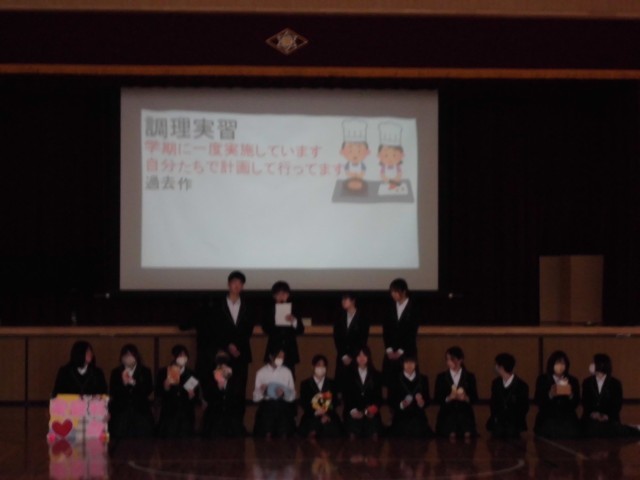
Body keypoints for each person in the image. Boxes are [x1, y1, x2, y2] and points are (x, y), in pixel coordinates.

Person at [181, 270, 254, 419]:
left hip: (241, 353)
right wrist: (229, 345)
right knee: (220, 388)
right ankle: (220, 422)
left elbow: (248, 329)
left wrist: (237, 346)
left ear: (243, 286)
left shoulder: (248, 306)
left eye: (240, 283)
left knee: (239, 390)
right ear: (228, 284)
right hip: (223, 354)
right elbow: (216, 329)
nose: (237, 286)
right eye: (234, 282)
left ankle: (237, 424)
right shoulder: (217, 306)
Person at [581, 353, 639, 438]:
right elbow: (585, 401)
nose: (591, 365)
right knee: (590, 431)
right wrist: (592, 413)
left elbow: (617, 404)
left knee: (611, 431)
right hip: (591, 419)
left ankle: (634, 429)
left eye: (594, 362)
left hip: (610, 419)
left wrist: (606, 416)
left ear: (602, 364)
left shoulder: (615, 383)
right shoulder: (587, 382)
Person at [108, 344, 154, 439]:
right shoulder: (116, 372)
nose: (129, 358)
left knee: (142, 440)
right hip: (121, 413)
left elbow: (148, 390)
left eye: (131, 355)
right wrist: (123, 384)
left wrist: (133, 382)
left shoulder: (145, 371)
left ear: (136, 356)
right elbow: (112, 391)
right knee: (120, 440)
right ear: (122, 358)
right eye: (126, 355)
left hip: (141, 413)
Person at [534, 350, 581, 439]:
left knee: (571, 432)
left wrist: (571, 395)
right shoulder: (543, 379)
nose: (560, 366)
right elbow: (538, 400)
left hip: (567, 417)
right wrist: (550, 395)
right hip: (548, 416)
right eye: (557, 363)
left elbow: (576, 402)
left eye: (563, 363)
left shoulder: (572, 380)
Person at [155, 345, 200, 438]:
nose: (182, 358)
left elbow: (196, 396)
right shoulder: (163, 372)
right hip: (169, 414)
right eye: (180, 355)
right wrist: (165, 388)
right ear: (174, 357)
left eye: (184, 355)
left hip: (186, 415)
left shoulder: (192, 373)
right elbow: (158, 393)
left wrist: (192, 396)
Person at [262, 281, 304, 378]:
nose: (281, 296)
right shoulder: (269, 310)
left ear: (288, 295)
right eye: (278, 294)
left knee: (289, 378)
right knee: (272, 379)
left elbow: (301, 330)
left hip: (289, 351)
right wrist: (275, 318)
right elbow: (265, 328)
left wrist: (294, 321)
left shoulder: (294, 309)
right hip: (273, 350)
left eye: (284, 294)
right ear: (274, 296)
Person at [434, 346, 478, 439]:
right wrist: (448, 398)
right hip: (447, 415)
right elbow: (437, 398)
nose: (449, 362)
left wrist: (466, 398)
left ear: (460, 360)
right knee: (450, 436)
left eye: (452, 359)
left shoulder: (469, 376)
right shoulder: (441, 377)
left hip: (465, 415)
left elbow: (474, 398)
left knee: (467, 436)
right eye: (447, 359)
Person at [201, 350, 246, 438]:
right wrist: (218, 387)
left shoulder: (234, 374)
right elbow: (207, 394)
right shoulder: (210, 374)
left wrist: (226, 387)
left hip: (231, 413)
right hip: (215, 414)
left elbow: (237, 393)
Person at [253, 348, 297, 438]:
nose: (281, 359)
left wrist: (284, 393)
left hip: (282, 405)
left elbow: (293, 394)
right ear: (271, 356)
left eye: (283, 357)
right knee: (266, 432)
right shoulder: (261, 372)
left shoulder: (287, 372)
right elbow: (255, 398)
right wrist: (263, 391)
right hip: (267, 406)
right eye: (279, 357)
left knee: (284, 432)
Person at [382, 278, 419, 386]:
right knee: (391, 384)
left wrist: (400, 351)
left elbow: (412, 331)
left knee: (407, 384)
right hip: (391, 352)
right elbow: (386, 329)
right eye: (392, 292)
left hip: (407, 352)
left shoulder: (414, 307)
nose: (393, 294)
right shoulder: (390, 306)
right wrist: (389, 349)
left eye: (396, 292)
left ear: (404, 291)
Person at [342, 346, 383, 439]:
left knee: (374, 433)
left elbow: (378, 397)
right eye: (359, 355)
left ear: (368, 357)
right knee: (352, 434)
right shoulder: (348, 374)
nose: (361, 358)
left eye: (364, 355)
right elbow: (346, 396)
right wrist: (353, 410)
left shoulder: (376, 375)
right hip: (353, 411)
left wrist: (371, 409)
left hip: (371, 412)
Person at [332, 292, 369, 394]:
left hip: (356, 356)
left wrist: (353, 355)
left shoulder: (362, 316)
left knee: (354, 385)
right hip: (342, 356)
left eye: (346, 299)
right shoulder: (339, 316)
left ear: (353, 301)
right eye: (342, 300)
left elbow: (363, 338)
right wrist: (343, 355)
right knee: (340, 384)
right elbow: (337, 337)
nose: (343, 302)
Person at [298, 355, 343, 439]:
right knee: (311, 427)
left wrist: (325, 412)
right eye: (318, 365)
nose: (321, 368)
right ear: (313, 367)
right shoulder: (305, 384)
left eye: (323, 366)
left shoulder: (332, 383)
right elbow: (304, 402)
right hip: (311, 415)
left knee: (333, 429)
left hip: (329, 415)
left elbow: (335, 402)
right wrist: (316, 412)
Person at [388, 354, 433, 438]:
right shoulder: (395, 379)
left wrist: (422, 403)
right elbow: (390, 400)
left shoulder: (423, 379)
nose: (409, 365)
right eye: (406, 363)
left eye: (412, 363)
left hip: (418, 417)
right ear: (402, 364)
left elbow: (427, 399)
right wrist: (401, 404)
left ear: (416, 363)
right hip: (401, 417)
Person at [486, 353, 529, 438]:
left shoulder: (521, 385)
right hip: (499, 420)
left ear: (501, 367)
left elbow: (524, 407)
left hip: (515, 421)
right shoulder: (496, 383)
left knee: (511, 433)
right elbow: (493, 404)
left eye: (496, 364)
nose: (495, 367)